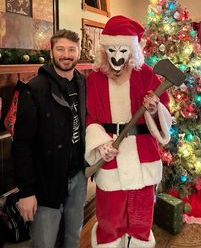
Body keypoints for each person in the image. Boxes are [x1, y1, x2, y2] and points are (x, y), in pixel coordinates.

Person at [85, 15, 172, 248]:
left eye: (122, 50)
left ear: (131, 51)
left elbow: (164, 109)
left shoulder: (146, 74)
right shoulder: (94, 79)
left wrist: (154, 109)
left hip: (143, 155)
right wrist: (100, 144)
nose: (117, 56)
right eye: (112, 50)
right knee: (110, 217)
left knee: (141, 216)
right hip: (110, 154)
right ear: (104, 51)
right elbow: (90, 117)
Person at [12, 29, 87, 248]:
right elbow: (21, 144)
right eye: (61, 49)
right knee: (44, 242)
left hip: (78, 177)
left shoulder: (82, 84)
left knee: (72, 237)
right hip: (46, 181)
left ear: (79, 51)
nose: (66, 55)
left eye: (72, 49)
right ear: (51, 51)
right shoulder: (34, 88)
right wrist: (26, 192)